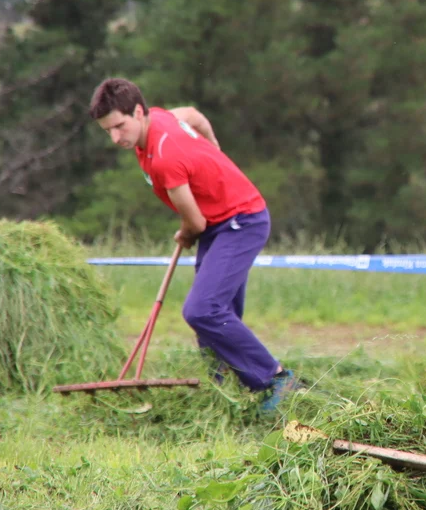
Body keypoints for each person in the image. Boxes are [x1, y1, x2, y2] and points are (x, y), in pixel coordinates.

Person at [89, 78, 298, 411]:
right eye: (107, 131)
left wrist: (185, 233)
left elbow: (195, 223)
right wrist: (213, 148)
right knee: (216, 315)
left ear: (138, 112)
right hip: (217, 224)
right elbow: (194, 115)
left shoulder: (165, 156)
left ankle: (278, 379)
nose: (115, 138)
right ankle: (223, 391)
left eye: (119, 126)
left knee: (202, 310)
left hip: (241, 222)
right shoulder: (161, 118)